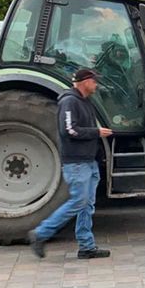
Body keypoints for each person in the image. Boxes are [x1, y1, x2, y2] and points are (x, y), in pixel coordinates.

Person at [29, 69, 114, 259]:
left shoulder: (84, 102)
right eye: (94, 81)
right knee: (78, 202)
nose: (96, 85)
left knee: (87, 205)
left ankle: (86, 246)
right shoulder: (69, 101)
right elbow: (69, 130)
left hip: (88, 162)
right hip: (76, 163)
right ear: (85, 82)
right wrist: (96, 132)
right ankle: (40, 234)